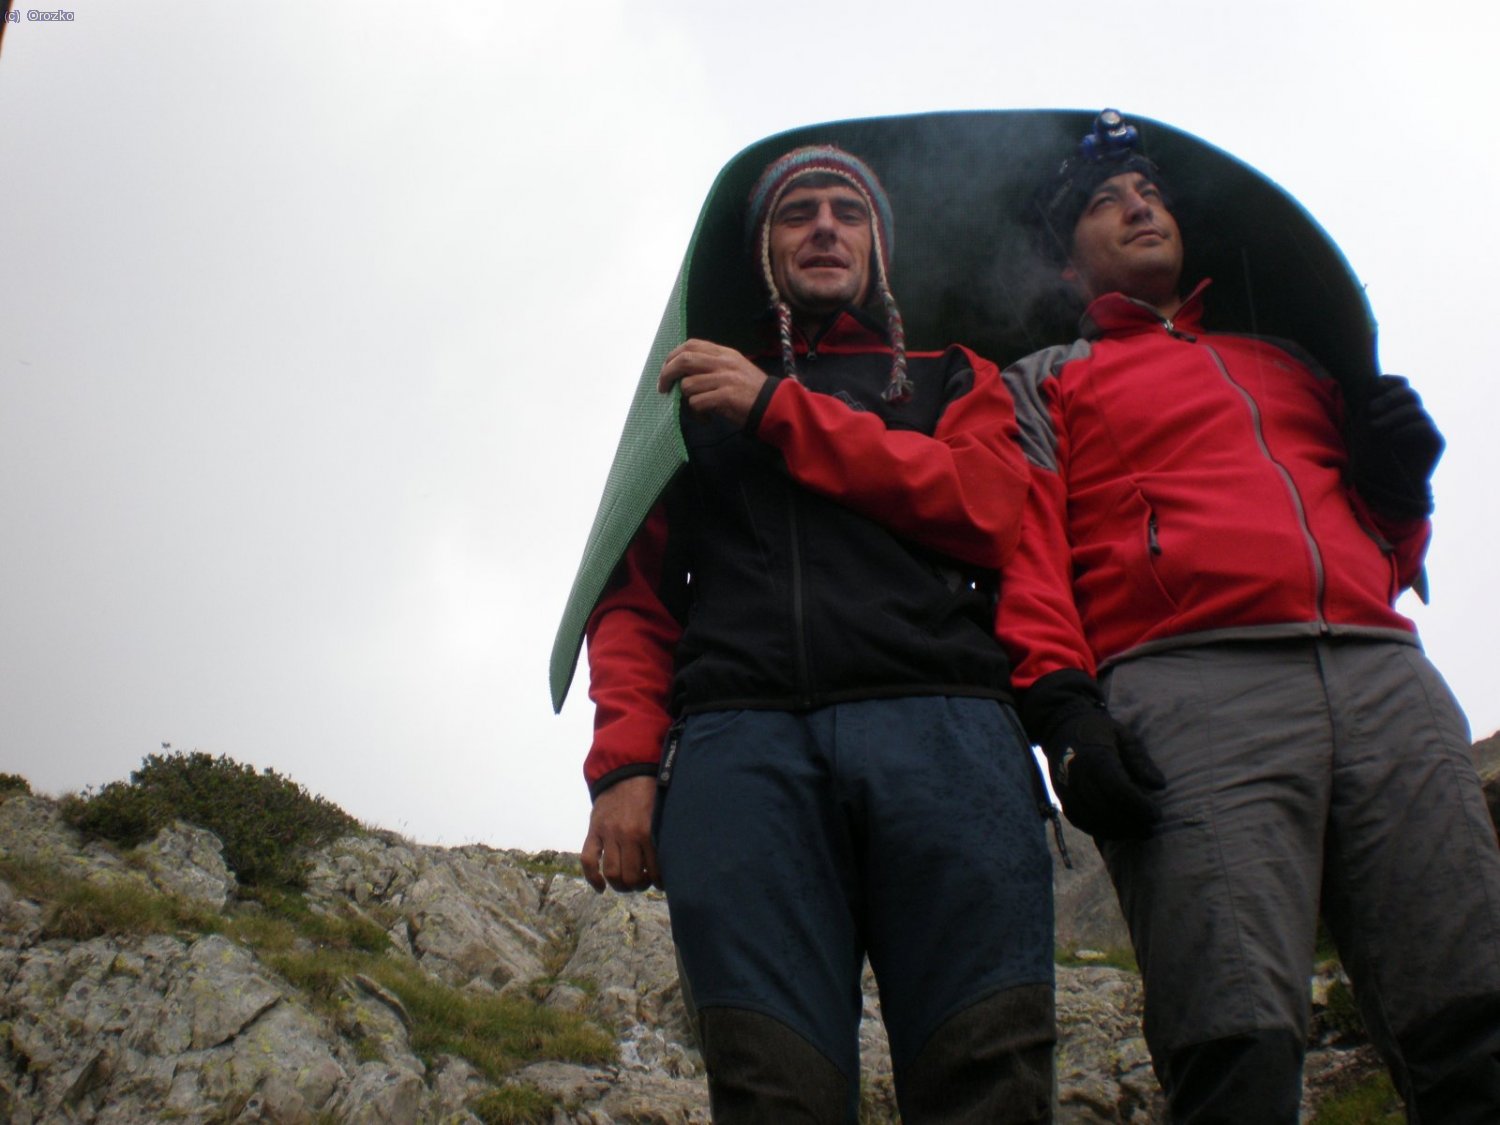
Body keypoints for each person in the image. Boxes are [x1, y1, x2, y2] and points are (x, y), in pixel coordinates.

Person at [997, 109, 1500, 1123]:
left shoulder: (1293, 364)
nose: (1139, 207)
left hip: (1379, 671)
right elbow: (1026, 554)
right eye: (1106, 203)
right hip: (1187, 689)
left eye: (1149, 194)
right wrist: (1062, 712)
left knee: (1476, 1012)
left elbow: (1386, 558)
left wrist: (1404, 492)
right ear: (1065, 269)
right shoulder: (1047, 382)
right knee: (1234, 1036)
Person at [579, 145, 1056, 1123]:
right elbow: (631, 596)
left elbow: (987, 508)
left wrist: (775, 412)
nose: (825, 226)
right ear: (765, 251)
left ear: (879, 247)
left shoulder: (953, 375)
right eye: (798, 214)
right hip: (739, 748)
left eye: (848, 211)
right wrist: (623, 767)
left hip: (947, 730)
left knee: (988, 1075)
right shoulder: (692, 395)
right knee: (771, 1091)